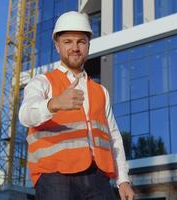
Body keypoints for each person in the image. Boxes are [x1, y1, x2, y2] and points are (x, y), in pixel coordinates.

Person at [19, 11, 134, 200]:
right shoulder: (42, 82)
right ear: (57, 46)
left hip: (97, 178)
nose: (75, 47)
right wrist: (53, 104)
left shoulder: (100, 91)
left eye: (81, 41)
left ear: (88, 45)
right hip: (54, 178)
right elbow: (25, 115)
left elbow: (114, 137)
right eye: (68, 42)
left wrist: (123, 180)